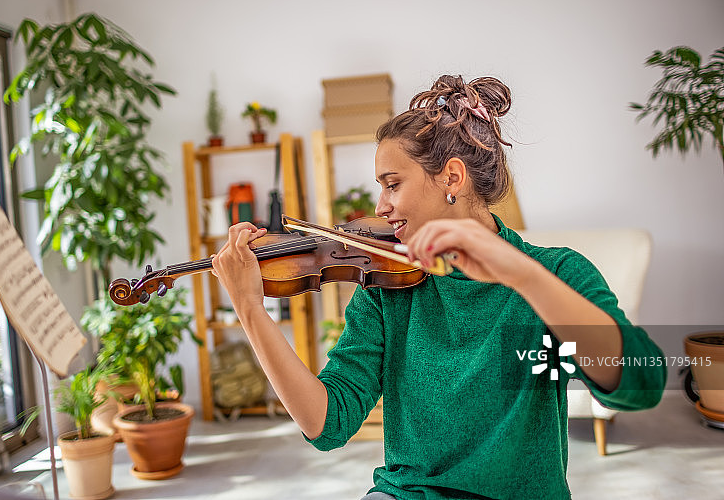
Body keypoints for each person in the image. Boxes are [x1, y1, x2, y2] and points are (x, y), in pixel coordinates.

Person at [210, 75, 666, 500]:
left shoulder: (558, 272)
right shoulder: (385, 285)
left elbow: (639, 386)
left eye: (392, 184)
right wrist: (251, 309)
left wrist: (522, 274)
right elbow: (326, 424)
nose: (380, 205)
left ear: (451, 178)